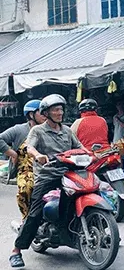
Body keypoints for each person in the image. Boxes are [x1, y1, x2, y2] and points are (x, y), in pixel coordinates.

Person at [9, 94, 85, 268]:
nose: (60, 113)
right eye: (56, 110)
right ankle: (16, 250)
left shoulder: (66, 130)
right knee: (35, 213)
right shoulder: (37, 131)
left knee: (87, 193)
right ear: (46, 113)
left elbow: (79, 147)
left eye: (61, 109)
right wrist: (38, 155)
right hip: (47, 176)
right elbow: (29, 147)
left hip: (68, 173)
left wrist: (92, 154)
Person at [0, 100, 45, 231]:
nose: (45, 115)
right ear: (31, 115)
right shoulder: (19, 130)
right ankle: (27, 219)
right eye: (41, 112)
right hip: (27, 170)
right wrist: (13, 154)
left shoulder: (49, 129)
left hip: (47, 169)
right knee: (26, 188)